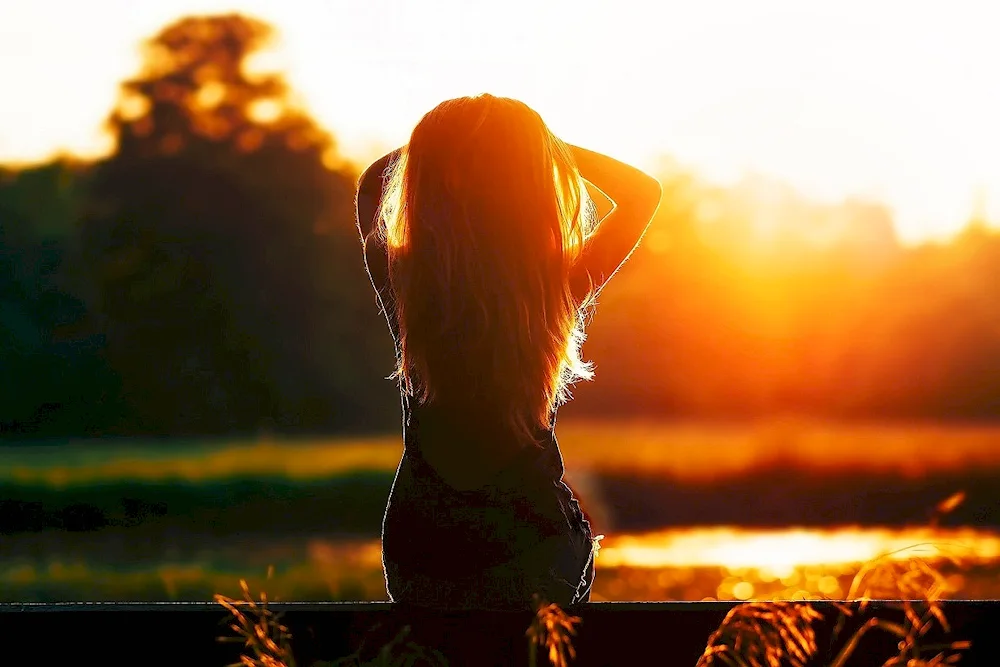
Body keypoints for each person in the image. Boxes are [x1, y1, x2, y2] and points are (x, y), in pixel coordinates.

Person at [355, 93, 661, 611]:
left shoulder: (407, 282)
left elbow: (370, 187)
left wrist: (444, 145)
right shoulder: (549, 287)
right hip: (534, 535)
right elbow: (640, 193)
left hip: (424, 540)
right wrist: (532, 146)